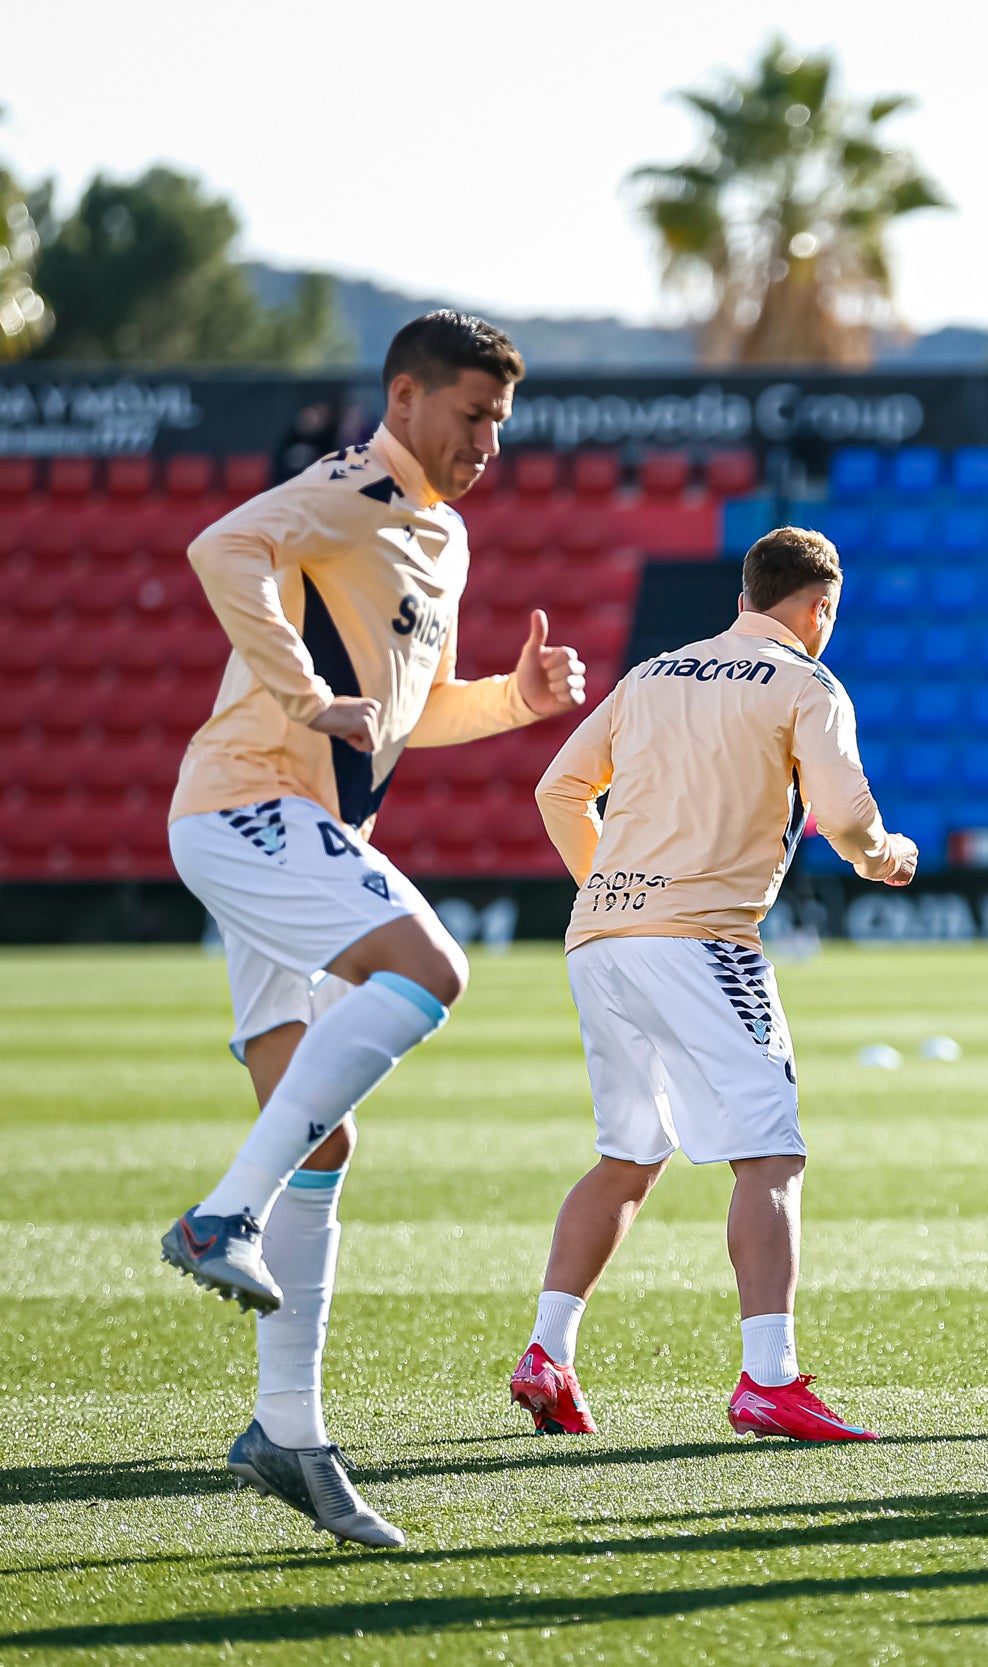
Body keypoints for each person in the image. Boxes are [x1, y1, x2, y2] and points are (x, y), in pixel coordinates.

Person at [159, 312, 588, 1546]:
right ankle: (221, 1216)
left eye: (501, 422)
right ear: (405, 398)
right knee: (429, 965)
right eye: (471, 415)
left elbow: (399, 714)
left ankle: (285, 1432)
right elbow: (218, 546)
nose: (488, 443)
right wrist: (302, 692)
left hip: (284, 824)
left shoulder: (442, 534)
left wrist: (515, 700)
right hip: (248, 802)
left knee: (324, 1136)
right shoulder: (353, 486)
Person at [514, 527, 917, 1445]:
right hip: (702, 940)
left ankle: (550, 1351)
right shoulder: (806, 682)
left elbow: (558, 789)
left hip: (600, 938)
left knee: (628, 1154)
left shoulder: (653, 673)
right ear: (820, 608)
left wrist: (616, 894)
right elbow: (848, 817)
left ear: (745, 593)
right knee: (769, 1154)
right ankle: (769, 1378)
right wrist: (888, 859)